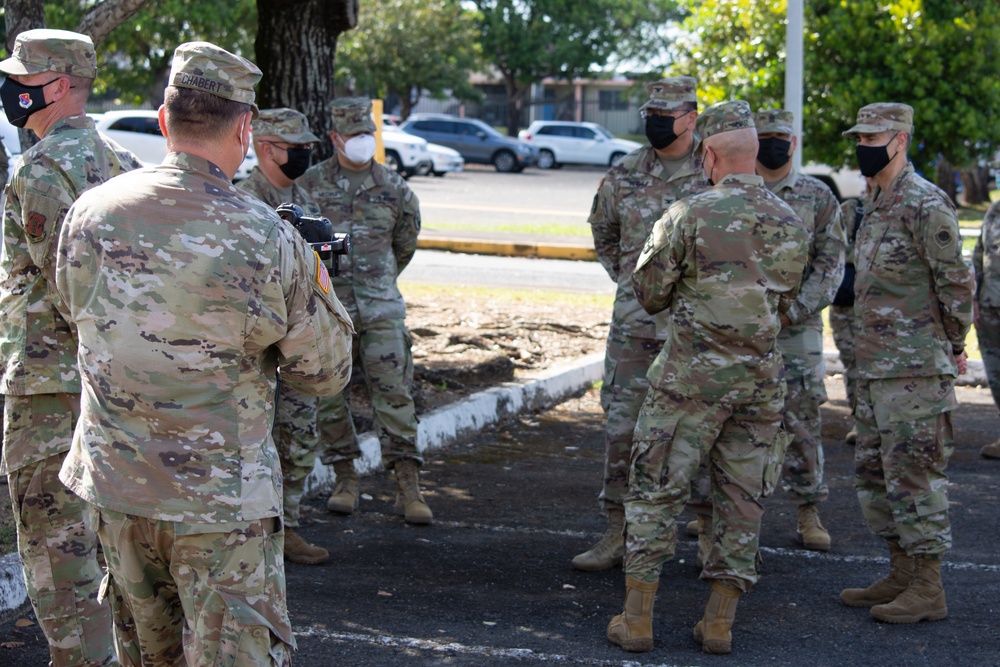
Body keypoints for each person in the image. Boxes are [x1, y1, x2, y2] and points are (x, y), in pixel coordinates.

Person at [54, 41, 354, 664]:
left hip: (116, 490)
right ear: (245, 128)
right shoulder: (269, 236)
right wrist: (318, 280)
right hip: (218, 508)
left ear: (164, 121)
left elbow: (74, 312)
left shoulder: (90, 212)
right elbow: (323, 374)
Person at [606, 100, 807, 655]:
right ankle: (718, 623)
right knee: (743, 499)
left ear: (711, 154)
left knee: (655, 489)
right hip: (760, 381)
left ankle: (638, 620)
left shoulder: (688, 213)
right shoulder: (792, 220)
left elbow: (650, 293)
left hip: (689, 379)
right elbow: (786, 296)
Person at [0, 29, 142, 666]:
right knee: (110, 540)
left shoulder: (42, 167)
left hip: (51, 386)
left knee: (56, 544)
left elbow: (68, 285)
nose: (9, 92)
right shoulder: (123, 163)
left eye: (21, 81)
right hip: (118, 383)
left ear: (55, 87)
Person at [839, 103, 973, 624]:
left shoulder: (924, 203)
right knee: (875, 475)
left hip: (915, 369)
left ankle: (928, 587)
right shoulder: (872, 202)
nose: (862, 145)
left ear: (899, 140)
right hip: (874, 368)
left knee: (915, 475)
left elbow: (956, 284)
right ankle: (900, 571)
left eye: (871, 137)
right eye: (859, 136)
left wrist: (954, 343)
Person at [578, 77, 708, 571]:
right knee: (622, 430)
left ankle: (708, 535)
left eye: (666, 113)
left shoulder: (713, 170)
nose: (654, 121)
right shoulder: (625, 171)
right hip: (634, 330)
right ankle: (617, 531)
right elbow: (603, 232)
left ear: (691, 117)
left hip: (695, 332)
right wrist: (633, 285)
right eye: (649, 112)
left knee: (698, 434)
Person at [299, 98, 429, 524]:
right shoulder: (311, 186)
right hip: (328, 312)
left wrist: (378, 280)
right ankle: (345, 478)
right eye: (353, 135)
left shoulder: (394, 187)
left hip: (380, 311)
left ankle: (408, 486)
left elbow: (405, 244)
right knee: (329, 399)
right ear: (335, 138)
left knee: (395, 395)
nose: (361, 142)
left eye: (367, 134)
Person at [238, 107, 330, 565]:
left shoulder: (308, 196)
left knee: (299, 436)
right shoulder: (240, 198)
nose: (304, 155)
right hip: (253, 343)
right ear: (266, 147)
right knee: (250, 440)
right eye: (296, 148)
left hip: (297, 339)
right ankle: (249, 533)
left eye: (307, 148)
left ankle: (287, 527)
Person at [753, 109, 846, 552]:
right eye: (763, 136)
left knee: (801, 421)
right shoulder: (730, 191)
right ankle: (715, 512)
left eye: (779, 137)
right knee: (728, 419)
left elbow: (831, 266)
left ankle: (809, 512)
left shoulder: (817, 195)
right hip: (738, 329)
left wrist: (795, 312)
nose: (772, 144)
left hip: (796, 327)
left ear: (793, 144)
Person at [830, 178, 875, 446]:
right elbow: (830, 247)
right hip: (847, 301)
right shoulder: (851, 209)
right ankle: (861, 420)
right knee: (853, 363)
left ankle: (880, 421)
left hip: (881, 303)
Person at [973, 199, 1000, 460]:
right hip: (990, 305)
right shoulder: (995, 210)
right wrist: (974, 299)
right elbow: (979, 255)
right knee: (996, 374)